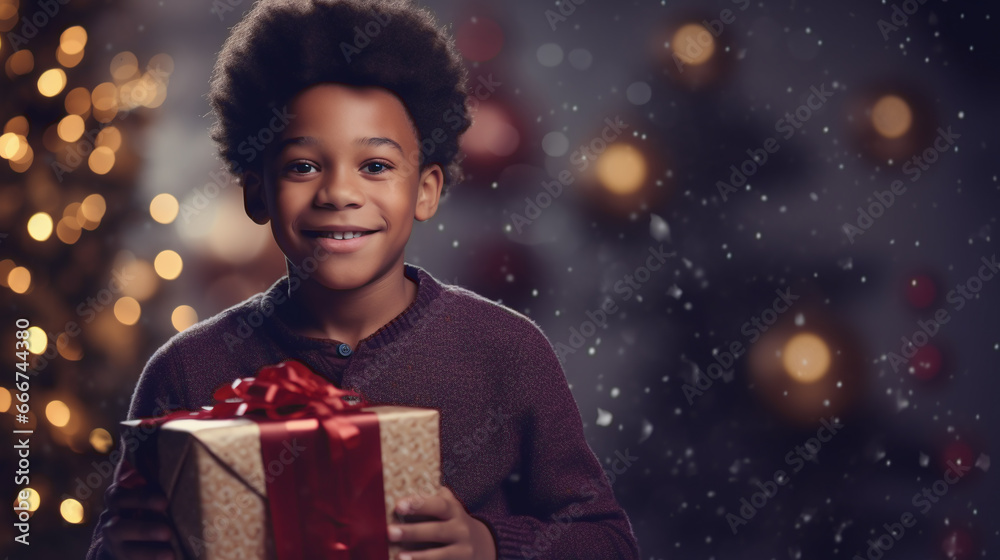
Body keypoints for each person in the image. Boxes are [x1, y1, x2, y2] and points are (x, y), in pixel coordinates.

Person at [86, 0, 641, 558]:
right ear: (256, 192)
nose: (338, 193)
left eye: (375, 166)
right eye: (303, 166)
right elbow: (120, 543)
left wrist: (489, 544)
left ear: (425, 189)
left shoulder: (506, 352)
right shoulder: (185, 371)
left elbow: (608, 540)